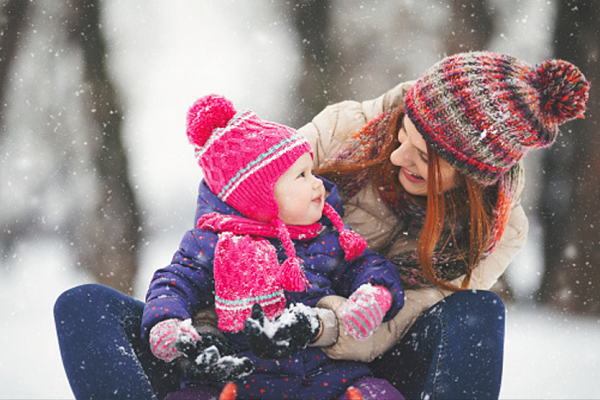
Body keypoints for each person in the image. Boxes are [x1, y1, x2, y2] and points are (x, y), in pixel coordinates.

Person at [54, 51, 589, 400]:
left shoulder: (498, 232)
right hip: (229, 347)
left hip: (352, 360)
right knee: (84, 307)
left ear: (471, 175)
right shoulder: (346, 128)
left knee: (476, 315)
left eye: (423, 156)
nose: (401, 150)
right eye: (405, 130)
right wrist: (204, 326)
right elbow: (243, 185)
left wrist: (315, 322)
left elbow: (392, 321)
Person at [141, 94, 405, 400]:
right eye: (302, 176)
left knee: (379, 394)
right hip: (240, 377)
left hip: (324, 376)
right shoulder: (214, 244)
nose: (317, 183)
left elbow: (366, 265)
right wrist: (166, 323)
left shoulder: (327, 237)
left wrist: (374, 293)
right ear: (261, 196)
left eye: (312, 172)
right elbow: (174, 281)